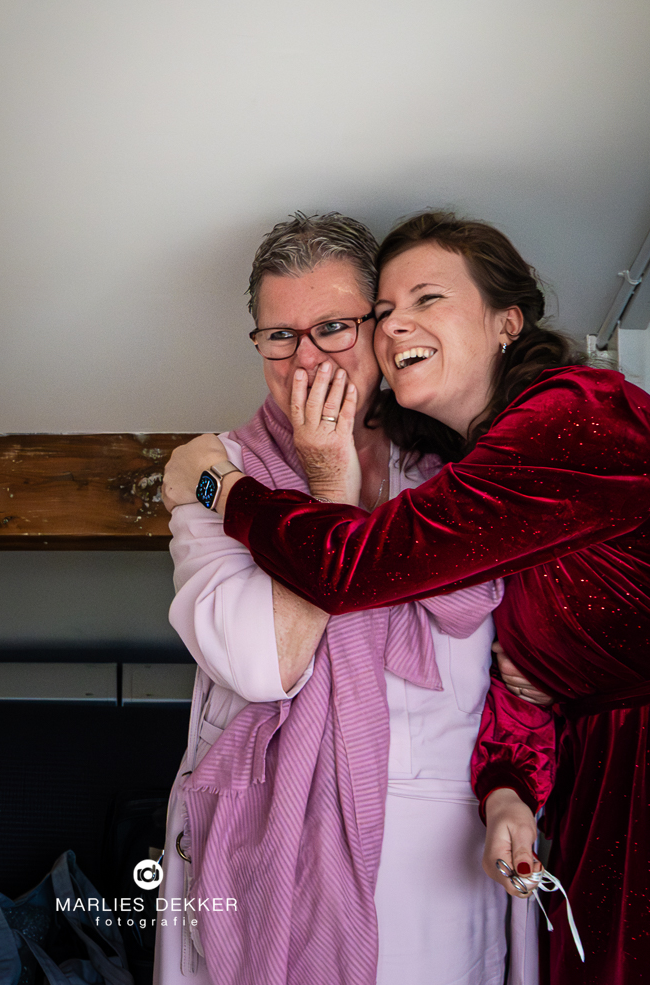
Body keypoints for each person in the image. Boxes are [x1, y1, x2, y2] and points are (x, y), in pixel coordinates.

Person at [162, 210, 650, 985]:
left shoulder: (576, 422)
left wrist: (223, 487)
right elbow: (512, 675)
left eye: (425, 301)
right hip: (595, 779)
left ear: (507, 321)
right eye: (386, 312)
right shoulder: (481, 475)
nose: (395, 328)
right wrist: (509, 787)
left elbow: (354, 566)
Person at [156, 213, 554, 985]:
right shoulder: (219, 475)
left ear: (381, 329)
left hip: (448, 851)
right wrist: (327, 484)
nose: (306, 356)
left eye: (333, 326)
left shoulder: (459, 464)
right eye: (279, 335)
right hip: (280, 855)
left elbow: (530, 630)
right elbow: (264, 661)